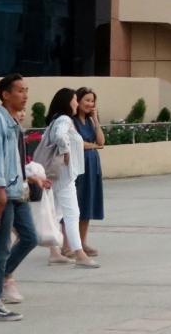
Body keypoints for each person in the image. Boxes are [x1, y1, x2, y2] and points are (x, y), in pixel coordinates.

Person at [0, 73, 49, 322]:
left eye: (26, 90)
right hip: (1, 194)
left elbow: (13, 161)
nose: (25, 95)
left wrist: (28, 181)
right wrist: (0, 195)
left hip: (15, 192)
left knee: (29, 237)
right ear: (5, 94)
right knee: (1, 246)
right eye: (20, 90)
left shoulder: (13, 122)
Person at [41, 88, 99, 268]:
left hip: (58, 174)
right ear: (67, 102)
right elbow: (59, 136)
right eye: (74, 99)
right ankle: (79, 255)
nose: (77, 102)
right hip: (64, 176)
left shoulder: (56, 119)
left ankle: (54, 253)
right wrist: (66, 150)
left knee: (57, 213)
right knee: (72, 213)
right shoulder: (65, 119)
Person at [74, 87, 105, 257]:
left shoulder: (90, 121)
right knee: (75, 203)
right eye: (86, 100)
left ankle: (82, 242)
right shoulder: (72, 121)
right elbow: (77, 143)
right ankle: (71, 243)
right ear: (78, 101)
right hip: (78, 165)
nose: (90, 104)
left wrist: (96, 121)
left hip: (92, 165)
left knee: (88, 202)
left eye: (92, 101)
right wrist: (92, 145)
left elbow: (101, 141)